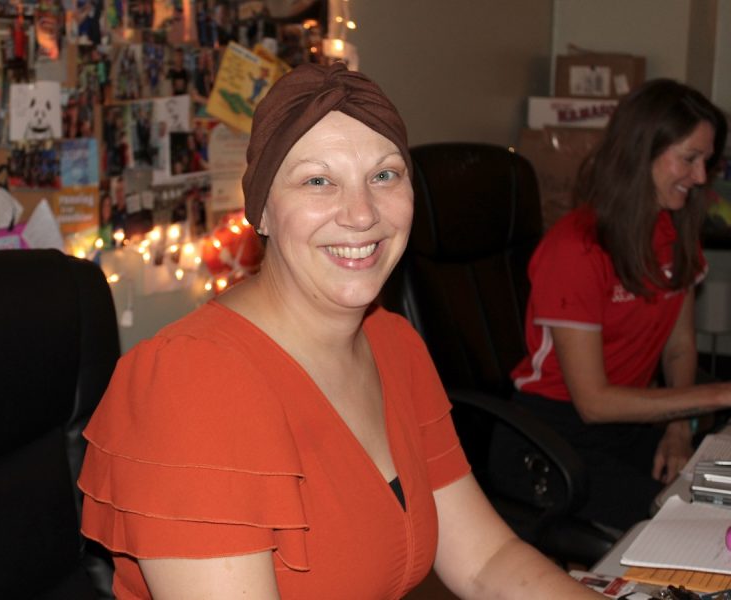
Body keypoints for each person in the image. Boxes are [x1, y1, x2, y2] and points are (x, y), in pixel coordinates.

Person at [78, 62, 603, 599]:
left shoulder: (393, 343)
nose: (361, 214)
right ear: (261, 209)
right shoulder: (190, 383)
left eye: (384, 175)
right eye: (318, 181)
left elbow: (487, 560)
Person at [509, 78, 731, 532]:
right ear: (641, 152)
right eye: (689, 159)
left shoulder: (674, 235)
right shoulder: (577, 247)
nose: (701, 177)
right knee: (687, 525)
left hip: (628, 424)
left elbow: (679, 349)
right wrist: (722, 393)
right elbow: (593, 402)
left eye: (706, 161)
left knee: (712, 497)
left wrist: (678, 431)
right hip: (551, 437)